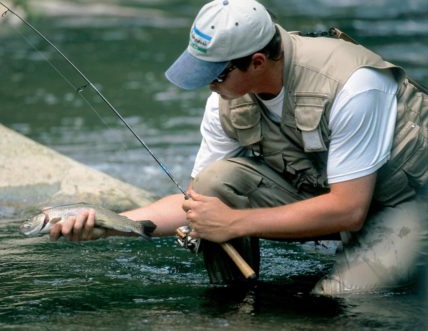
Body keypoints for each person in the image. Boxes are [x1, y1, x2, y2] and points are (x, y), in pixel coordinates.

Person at [50, 0, 428, 296]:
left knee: (338, 298)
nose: (207, 86)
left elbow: (349, 209)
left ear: (258, 61)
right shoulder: (228, 97)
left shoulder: (354, 85)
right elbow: (196, 205)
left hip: (405, 205)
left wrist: (233, 223)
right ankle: (233, 302)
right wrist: (111, 223)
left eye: (213, 75)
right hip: (330, 195)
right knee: (217, 184)